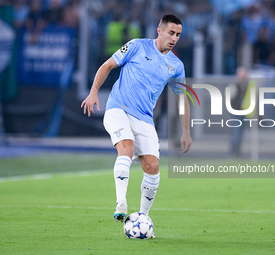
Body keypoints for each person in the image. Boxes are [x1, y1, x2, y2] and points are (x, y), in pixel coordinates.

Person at [81, 14, 192, 235]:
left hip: (144, 118)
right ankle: (121, 204)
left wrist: (186, 131)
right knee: (127, 147)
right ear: (159, 31)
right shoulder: (136, 46)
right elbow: (107, 65)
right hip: (118, 108)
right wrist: (93, 93)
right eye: (171, 33)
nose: (174, 38)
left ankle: (142, 218)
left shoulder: (176, 66)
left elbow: (182, 100)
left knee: (152, 166)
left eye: (178, 35)